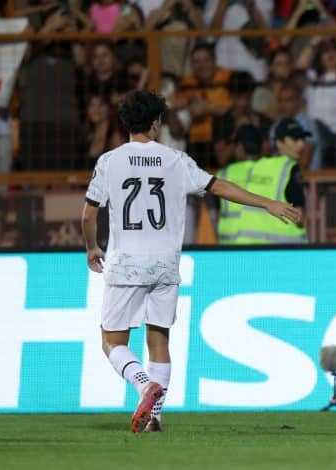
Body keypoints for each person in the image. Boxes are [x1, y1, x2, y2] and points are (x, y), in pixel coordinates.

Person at [81, 90, 300, 433]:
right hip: (166, 264)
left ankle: (142, 386)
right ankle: (156, 417)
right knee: (159, 340)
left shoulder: (109, 161)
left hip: (126, 264)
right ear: (155, 123)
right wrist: (268, 204)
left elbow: (88, 215)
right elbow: (219, 186)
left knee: (112, 341)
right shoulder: (175, 160)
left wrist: (92, 247)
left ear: (125, 122)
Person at [216, 121, 308, 245]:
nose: (301, 144)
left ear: (238, 147)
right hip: (283, 250)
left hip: (233, 249)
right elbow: (299, 217)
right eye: (295, 139)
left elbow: (216, 216)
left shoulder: (224, 174)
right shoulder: (283, 167)